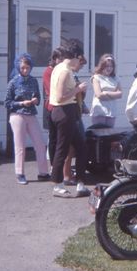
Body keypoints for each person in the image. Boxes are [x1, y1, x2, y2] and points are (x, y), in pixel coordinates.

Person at [49, 41, 90, 198]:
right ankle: (57, 185)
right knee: (62, 149)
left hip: (66, 112)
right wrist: (78, 89)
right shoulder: (64, 71)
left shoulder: (60, 68)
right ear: (74, 57)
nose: (79, 63)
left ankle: (80, 184)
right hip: (64, 112)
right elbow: (60, 97)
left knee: (81, 147)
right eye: (79, 60)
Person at [5, 53, 50, 185]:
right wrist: (21, 103)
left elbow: (38, 98)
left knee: (40, 144)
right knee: (20, 146)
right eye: (23, 68)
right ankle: (20, 173)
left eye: (28, 68)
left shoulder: (33, 80)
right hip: (17, 115)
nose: (25, 70)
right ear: (19, 67)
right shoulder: (13, 82)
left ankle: (43, 172)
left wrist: (35, 100)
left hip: (30, 114)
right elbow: (7, 102)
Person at [90, 54, 122, 128]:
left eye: (111, 66)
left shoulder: (116, 78)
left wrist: (106, 93)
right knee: (99, 134)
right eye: (107, 66)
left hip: (111, 112)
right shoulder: (96, 77)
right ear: (102, 66)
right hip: (99, 112)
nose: (109, 68)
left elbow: (120, 94)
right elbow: (99, 95)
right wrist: (113, 95)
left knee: (109, 135)